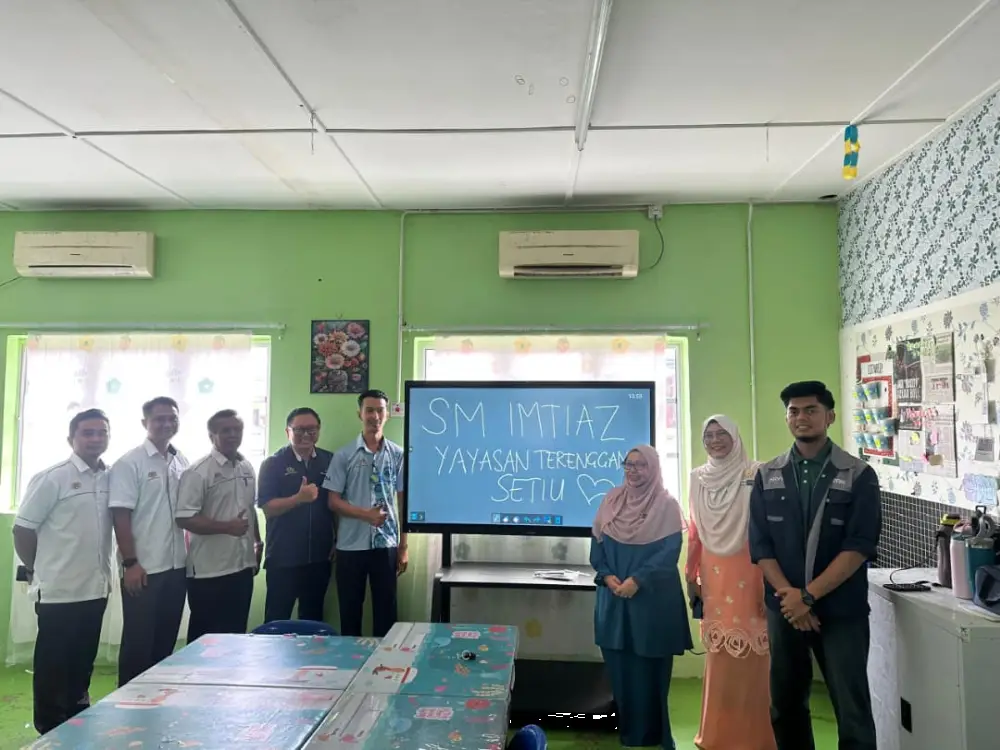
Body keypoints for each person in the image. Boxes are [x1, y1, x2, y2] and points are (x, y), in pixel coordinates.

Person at [749, 381, 880, 750]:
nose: (801, 417)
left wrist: (808, 596)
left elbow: (859, 546)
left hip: (840, 610)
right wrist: (792, 599)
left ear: (830, 416)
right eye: (794, 411)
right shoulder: (767, 474)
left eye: (811, 410)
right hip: (785, 610)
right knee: (786, 704)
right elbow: (760, 545)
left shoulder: (858, 474)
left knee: (852, 709)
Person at [12, 409, 112, 735]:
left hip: (96, 588)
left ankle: (78, 716)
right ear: (71, 439)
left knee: (83, 660)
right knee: (53, 664)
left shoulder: (110, 477)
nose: (95, 438)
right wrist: (35, 569)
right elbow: (22, 529)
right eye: (87, 432)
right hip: (58, 590)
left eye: (102, 432)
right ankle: (50, 729)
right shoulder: (52, 478)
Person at [590, 444, 691, 750]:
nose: (633, 470)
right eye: (629, 464)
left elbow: (669, 553)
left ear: (654, 468)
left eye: (641, 465)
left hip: (652, 601)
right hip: (614, 598)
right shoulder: (611, 500)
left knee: (650, 670)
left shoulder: (666, 505)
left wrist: (637, 580)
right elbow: (597, 545)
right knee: (620, 668)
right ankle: (630, 733)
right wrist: (608, 576)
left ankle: (654, 735)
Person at [686, 415, 775, 750]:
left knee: (756, 653)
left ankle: (756, 737)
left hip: (753, 571)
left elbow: (770, 529)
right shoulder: (697, 477)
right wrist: (690, 574)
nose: (714, 440)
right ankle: (717, 734)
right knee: (720, 654)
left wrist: (772, 581)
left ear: (735, 437)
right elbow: (694, 531)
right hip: (714, 575)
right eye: (708, 435)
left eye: (721, 433)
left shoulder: (756, 473)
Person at [109, 396, 190, 686]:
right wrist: (130, 563)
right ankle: (129, 701)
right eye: (159, 419)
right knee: (138, 642)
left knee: (165, 640)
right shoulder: (129, 463)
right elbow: (120, 515)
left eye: (172, 418)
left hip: (176, 566)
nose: (167, 423)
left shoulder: (180, 460)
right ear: (145, 423)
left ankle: (156, 698)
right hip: (143, 569)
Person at [324, 389, 407, 637]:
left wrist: (403, 546)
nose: (375, 416)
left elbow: (403, 501)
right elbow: (333, 502)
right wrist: (365, 515)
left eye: (380, 410)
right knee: (350, 613)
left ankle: (385, 659)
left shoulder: (398, 455)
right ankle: (351, 660)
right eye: (369, 410)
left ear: (387, 415)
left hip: (387, 544)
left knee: (387, 612)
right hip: (351, 546)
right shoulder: (344, 455)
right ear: (359, 414)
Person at [175, 409, 261, 643]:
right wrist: (227, 527)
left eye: (237, 429)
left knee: (236, 636)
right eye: (225, 430)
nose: (233, 434)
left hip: (242, 566)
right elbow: (184, 518)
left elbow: (249, 509)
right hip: (209, 571)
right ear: (212, 435)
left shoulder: (246, 467)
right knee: (205, 641)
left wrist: (257, 542)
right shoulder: (198, 472)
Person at [257, 407, 335, 623]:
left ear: (318, 430)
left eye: (311, 429)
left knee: (313, 621)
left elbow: (334, 503)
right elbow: (267, 507)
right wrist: (298, 499)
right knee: (276, 620)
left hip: (319, 558)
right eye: (299, 430)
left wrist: (337, 539)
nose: (306, 435)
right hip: (283, 558)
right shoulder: (273, 463)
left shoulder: (329, 460)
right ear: (287, 431)